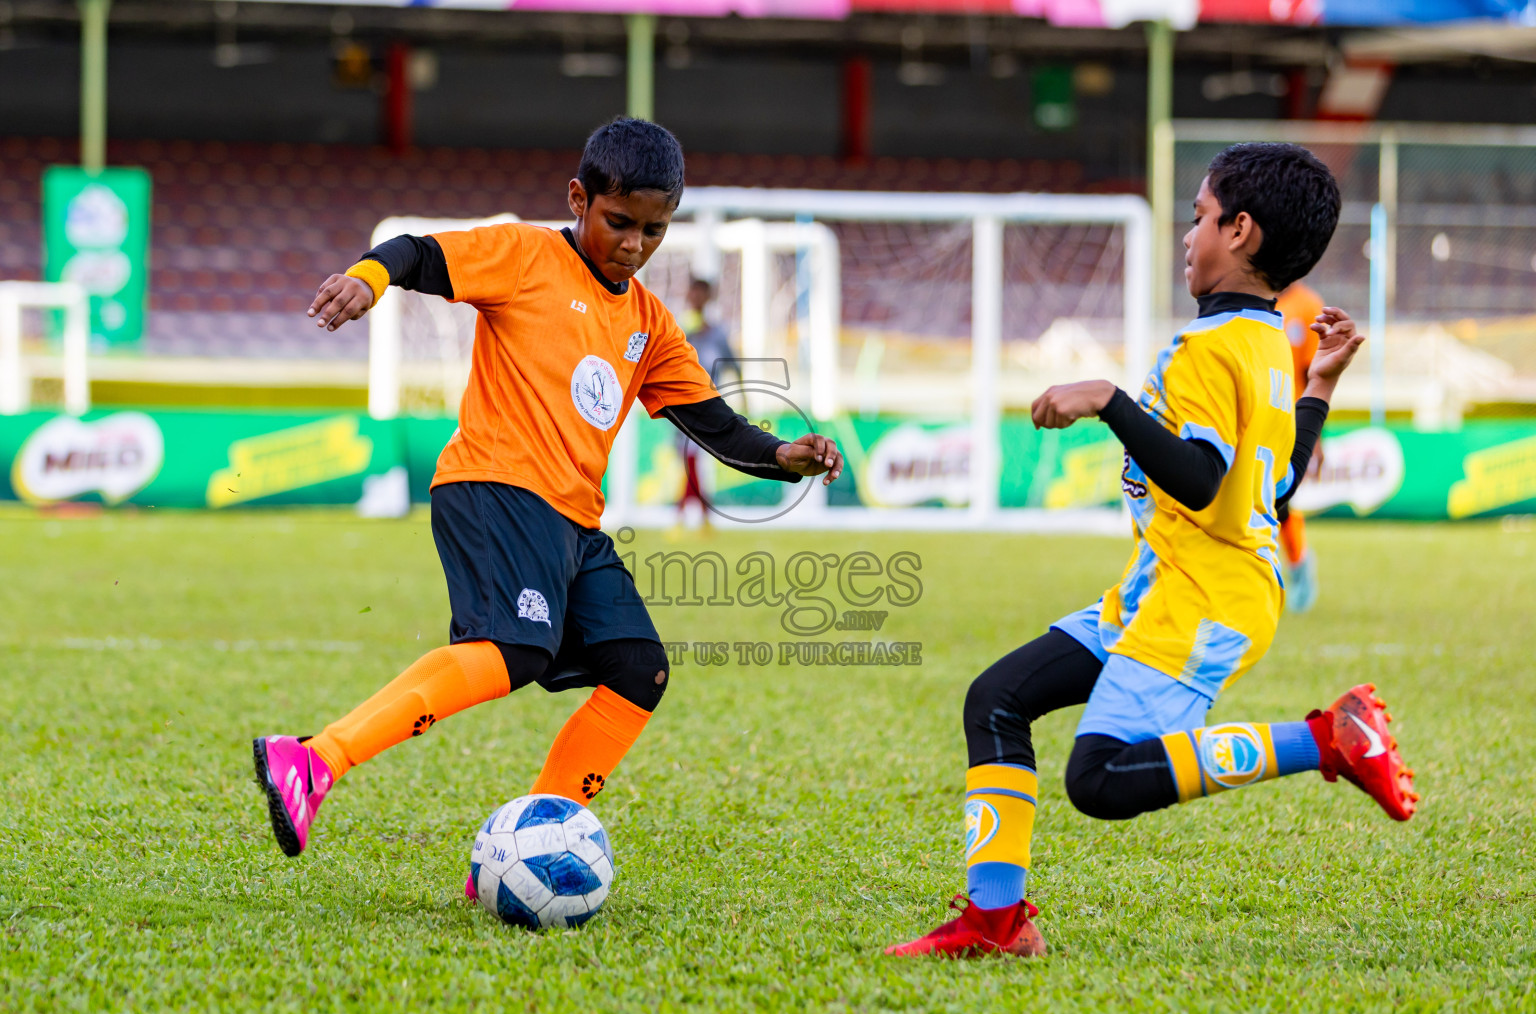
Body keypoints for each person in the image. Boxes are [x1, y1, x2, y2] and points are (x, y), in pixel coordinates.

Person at [252, 118, 844, 880]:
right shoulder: (527, 255)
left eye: (653, 231)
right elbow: (418, 255)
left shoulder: (651, 324)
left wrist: (783, 456)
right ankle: (314, 759)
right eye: (619, 222)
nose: (633, 245)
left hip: (573, 523)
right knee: (515, 651)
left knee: (639, 668)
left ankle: (517, 852)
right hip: (494, 484)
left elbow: (715, 425)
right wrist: (365, 281)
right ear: (578, 198)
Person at [885, 143, 1419, 960]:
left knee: (1097, 781)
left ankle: (1325, 740)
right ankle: (996, 924)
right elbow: (1272, 486)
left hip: (1204, 599)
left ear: (1240, 231)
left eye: (1200, 216)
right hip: (1165, 587)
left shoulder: (1213, 351)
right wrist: (1321, 389)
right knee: (995, 700)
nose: (1188, 233)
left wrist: (1107, 399)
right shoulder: (1267, 346)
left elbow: (1203, 481)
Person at [1275, 279, 1325, 611]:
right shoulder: (1256, 297)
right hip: (1255, 418)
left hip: (1291, 424)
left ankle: (1298, 564)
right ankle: (1294, 564)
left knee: (1279, 499)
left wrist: (1316, 438)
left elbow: (1315, 374)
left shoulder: (1308, 305)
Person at [674, 278, 736, 532]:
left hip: (707, 405)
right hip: (679, 403)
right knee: (689, 461)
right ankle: (703, 517)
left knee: (692, 461)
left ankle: (683, 516)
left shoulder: (717, 332)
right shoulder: (679, 327)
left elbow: (732, 362)